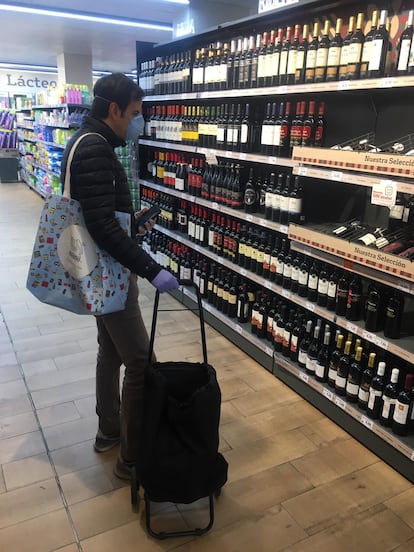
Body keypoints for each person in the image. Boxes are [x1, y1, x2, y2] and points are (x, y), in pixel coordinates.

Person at [60, 73, 179, 480]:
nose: (137, 122)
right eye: (134, 114)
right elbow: (102, 228)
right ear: (114, 110)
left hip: (96, 268)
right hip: (108, 274)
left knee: (110, 351)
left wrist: (133, 224)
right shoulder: (95, 148)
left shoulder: (86, 141)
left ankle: (109, 429)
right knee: (141, 363)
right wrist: (151, 268)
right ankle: (132, 457)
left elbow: (100, 216)